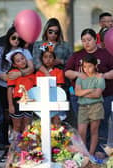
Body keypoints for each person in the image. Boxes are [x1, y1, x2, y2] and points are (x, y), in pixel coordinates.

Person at [65, 28, 113, 158]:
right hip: (80, 100)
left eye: (89, 40)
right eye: (84, 40)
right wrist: (77, 73)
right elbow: (67, 71)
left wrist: (104, 75)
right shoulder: (77, 55)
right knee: (82, 127)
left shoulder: (105, 54)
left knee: (99, 126)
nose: (86, 43)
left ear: (95, 40)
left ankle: (98, 151)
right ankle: (83, 153)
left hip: (104, 96)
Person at [0, 26, 34, 152]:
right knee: (3, 115)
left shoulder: (24, 52)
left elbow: (31, 68)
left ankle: (22, 145)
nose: (16, 40)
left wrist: (19, 73)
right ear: (8, 37)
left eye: (18, 38)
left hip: (20, 89)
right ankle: (0, 142)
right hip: (4, 86)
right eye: (13, 37)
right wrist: (0, 75)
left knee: (22, 118)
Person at [75, 54, 105, 155]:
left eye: (89, 66)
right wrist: (90, 90)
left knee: (94, 131)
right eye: (84, 66)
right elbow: (77, 93)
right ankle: (83, 154)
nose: (87, 69)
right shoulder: (81, 78)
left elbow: (97, 94)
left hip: (96, 107)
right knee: (81, 132)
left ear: (95, 65)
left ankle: (91, 154)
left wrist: (83, 93)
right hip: (82, 107)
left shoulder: (99, 78)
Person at [35, 43, 66, 124]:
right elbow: (37, 90)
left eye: (50, 57)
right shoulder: (38, 73)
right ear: (41, 59)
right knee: (45, 122)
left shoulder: (58, 72)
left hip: (55, 100)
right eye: (45, 57)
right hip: (42, 101)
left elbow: (59, 88)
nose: (48, 59)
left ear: (54, 59)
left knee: (56, 121)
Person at [7, 51, 35, 134]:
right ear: (15, 64)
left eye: (22, 58)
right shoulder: (13, 74)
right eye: (18, 61)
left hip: (29, 101)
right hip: (17, 101)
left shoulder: (32, 74)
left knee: (27, 125)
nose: (22, 61)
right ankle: (14, 146)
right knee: (17, 125)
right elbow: (9, 90)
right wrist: (10, 105)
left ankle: (25, 145)